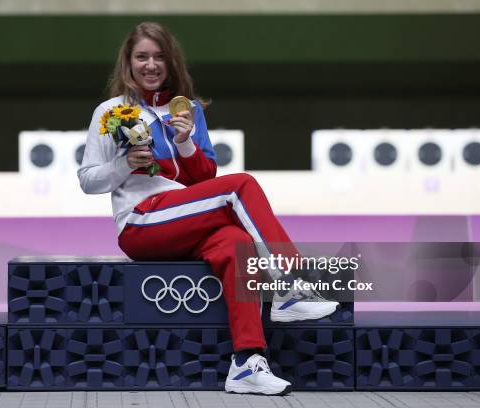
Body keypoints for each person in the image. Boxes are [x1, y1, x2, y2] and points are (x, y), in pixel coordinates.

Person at [78, 21, 337, 396]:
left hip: (183, 218)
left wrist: (184, 142)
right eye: (142, 57)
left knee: (237, 245)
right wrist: (124, 165)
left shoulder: (189, 111)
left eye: (159, 56)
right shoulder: (110, 111)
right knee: (241, 185)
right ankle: (290, 285)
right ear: (128, 63)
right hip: (141, 222)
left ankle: (246, 364)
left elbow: (203, 181)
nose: (151, 65)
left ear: (171, 62)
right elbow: (87, 180)